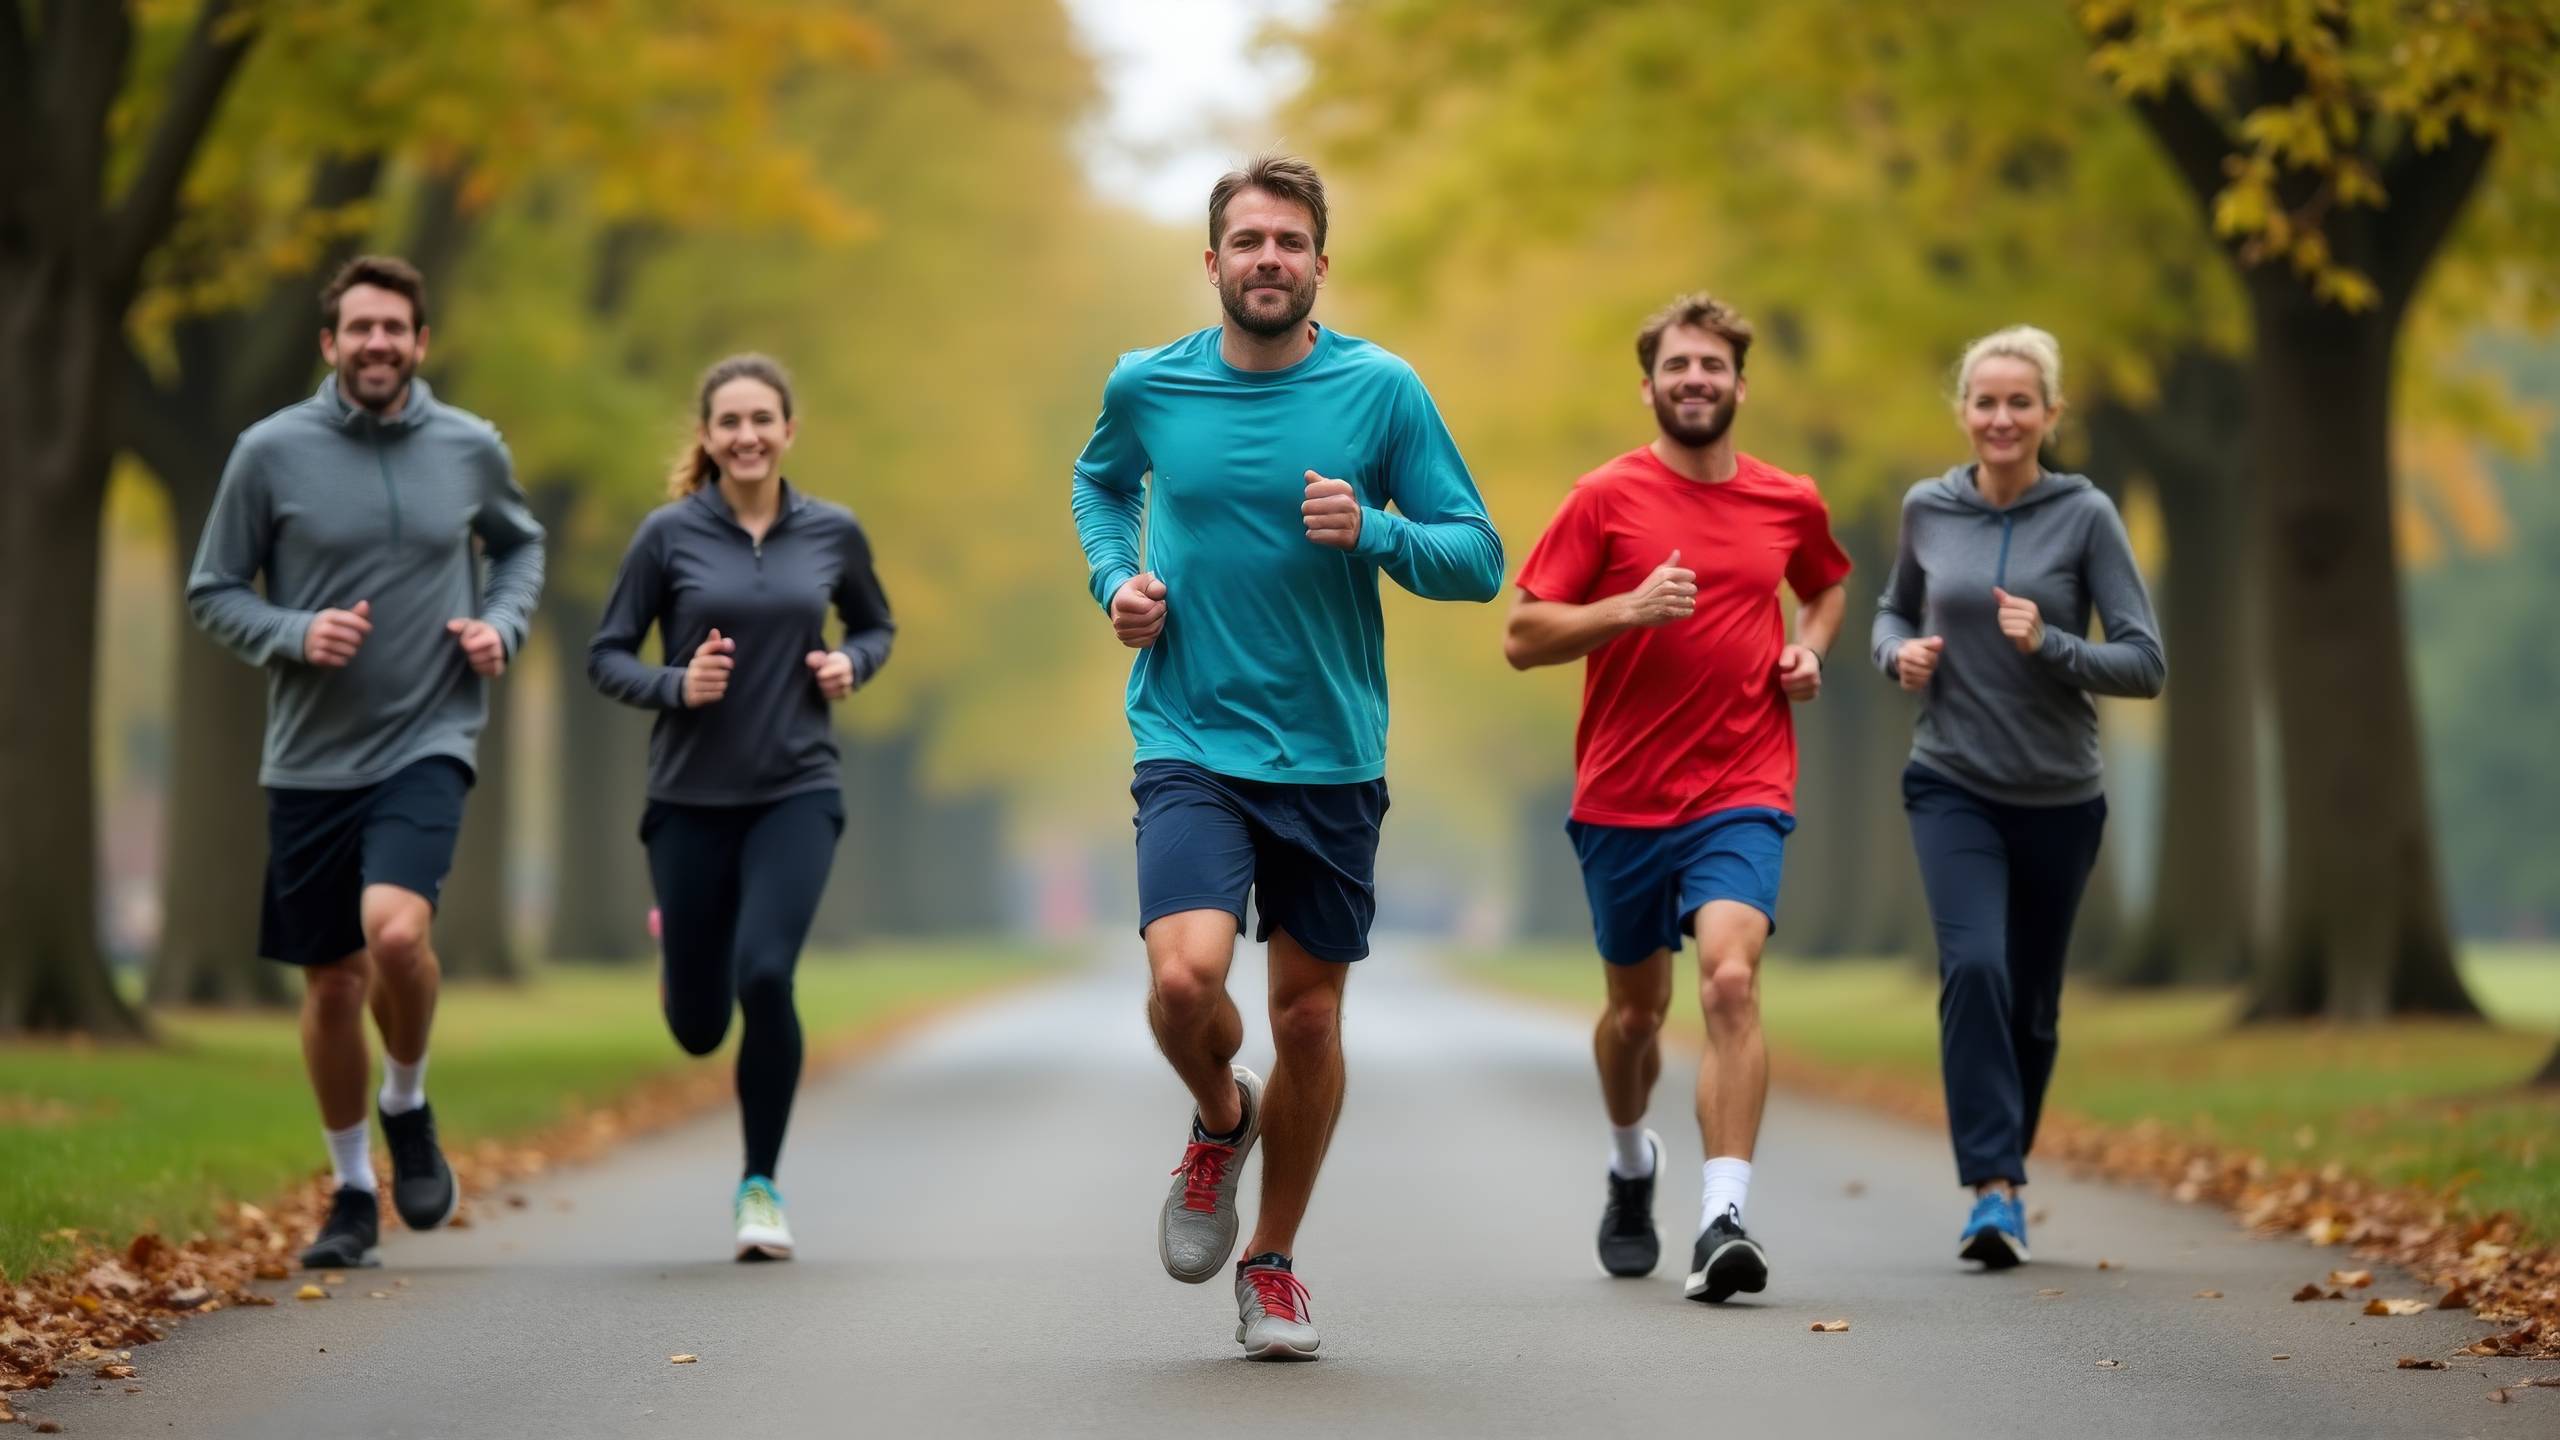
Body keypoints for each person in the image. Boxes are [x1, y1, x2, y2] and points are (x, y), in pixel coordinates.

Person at [1071, 155, 1504, 1360]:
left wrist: (1372, 529)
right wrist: (1119, 581)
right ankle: (1220, 1112)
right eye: (1247, 240)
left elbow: (1477, 559)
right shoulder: (1148, 384)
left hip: (1329, 752)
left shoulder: (1382, 392)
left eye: (1290, 241)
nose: (1269, 259)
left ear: (1321, 263)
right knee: (1180, 982)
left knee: (1308, 1021)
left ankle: (1272, 1263)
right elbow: (1100, 486)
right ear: (1211, 263)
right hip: (1188, 734)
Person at [188, 255, 546, 1270]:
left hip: (428, 733)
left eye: (395, 327)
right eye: (360, 328)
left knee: (394, 936)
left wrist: (501, 626)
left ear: (421, 342)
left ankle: (409, 1098)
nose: (378, 343)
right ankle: (350, 1191)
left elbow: (520, 546)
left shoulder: (470, 447)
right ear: (330, 344)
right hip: (308, 755)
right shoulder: (268, 452)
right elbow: (213, 588)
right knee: (333, 986)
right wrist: (296, 633)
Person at [1504, 294, 1852, 1304]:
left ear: (1740, 386)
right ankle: (1628, 1166)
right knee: (1634, 1019)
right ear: (1649, 386)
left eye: (1712, 366)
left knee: (1731, 984)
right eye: (1676, 367)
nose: (1694, 380)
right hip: (1621, 795)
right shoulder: (1603, 498)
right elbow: (1522, 637)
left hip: (1741, 784)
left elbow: (1824, 586)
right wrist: (1627, 608)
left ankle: (1722, 1217)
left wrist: (1806, 648)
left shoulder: (1789, 499)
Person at [1870, 325, 2165, 1268]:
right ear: (1963, 413)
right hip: (1950, 780)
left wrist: (2053, 646)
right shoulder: (1927, 508)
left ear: (2050, 414)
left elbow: (2146, 663)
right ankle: (1993, 1191)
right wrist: (1894, 653)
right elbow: (1890, 607)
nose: (2001, 418)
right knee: (1976, 971)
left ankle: (2004, 1163)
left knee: (2033, 1006)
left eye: (2019, 402)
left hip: (2059, 796)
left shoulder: (2086, 517)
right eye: (1985, 402)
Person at [589, 353, 894, 1261]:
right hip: (688, 798)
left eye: (763, 419)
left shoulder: (832, 533)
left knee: (766, 976)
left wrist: (852, 664)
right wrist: (680, 685)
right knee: (697, 1028)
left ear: (788, 430)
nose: (748, 435)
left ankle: (759, 1186)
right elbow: (606, 655)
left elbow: (875, 624)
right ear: (708, 436)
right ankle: (682, 945)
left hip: (798, 790)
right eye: (730, 422)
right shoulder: (667, 536)